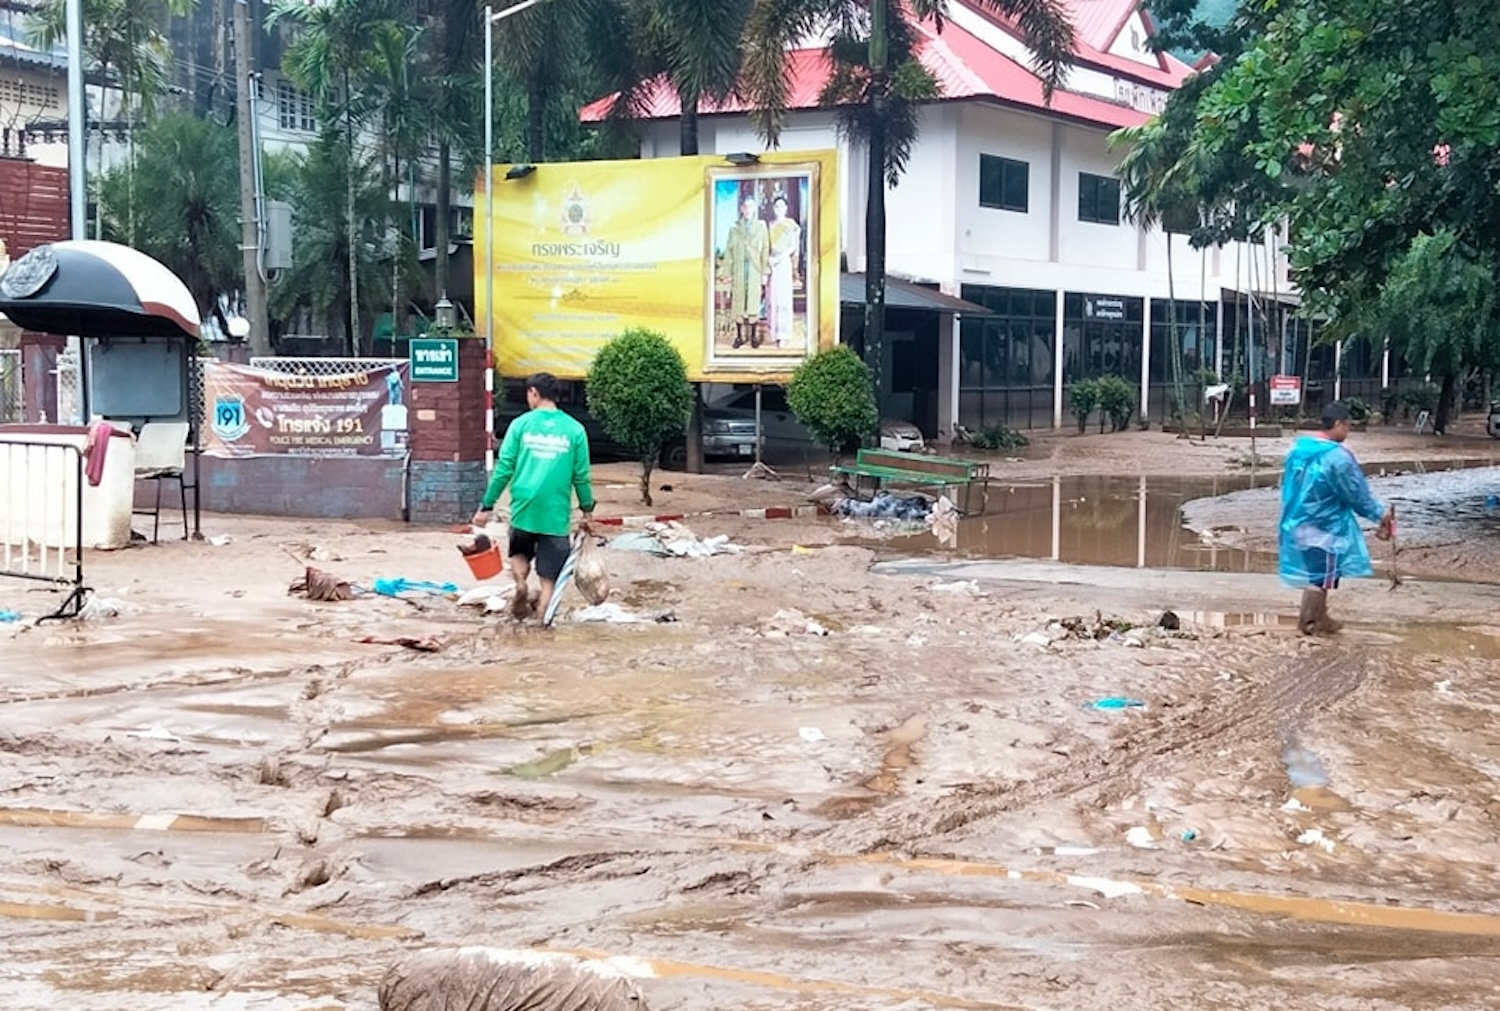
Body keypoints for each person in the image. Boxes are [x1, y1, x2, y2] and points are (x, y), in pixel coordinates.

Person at [472, 373, 595, 623]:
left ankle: (520, 584)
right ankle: (541, 626)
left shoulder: (520, 425)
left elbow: (504, 468)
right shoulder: (575, 430)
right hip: (555, 512)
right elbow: (581, 476)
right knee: (549, 579)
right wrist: (587, 509)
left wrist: (487, 505)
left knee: (519, 555)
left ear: (534, 393)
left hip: (523, 507)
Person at [1279, 401, 1394, 635]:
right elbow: (1355, 494)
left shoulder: (1300, 450)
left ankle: (1320, 618)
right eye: (1348, 426)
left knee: (1315, 572)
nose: (1348, 432)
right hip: (1325, 527)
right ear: (1339, 424)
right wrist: (1379, 514)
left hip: (1298, 522)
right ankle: (1311, 623)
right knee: (1322, 577)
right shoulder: (1337, 457)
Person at [724, 194, 768, 327]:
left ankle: (754, 335)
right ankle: (739, 336)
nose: (748, 209)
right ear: (741, 209)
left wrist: (764, 271)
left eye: (750, 206)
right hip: (739, 269)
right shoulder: (734, 228)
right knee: (738, 303)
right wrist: (728, 273)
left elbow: (765, 249)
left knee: (754, 302)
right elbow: (729, 251)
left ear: (754, 208)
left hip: (755, 269)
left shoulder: (761, 226)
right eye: (745, 206)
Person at [765, 194, 802, 347]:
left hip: (784, 263)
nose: (779, 209)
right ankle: (773, 333)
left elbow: (793, 246)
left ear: (786, 208)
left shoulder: (791, 225)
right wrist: (769, 260)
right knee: (772, 296)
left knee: (783, 297)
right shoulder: (770, 225)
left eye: (782, 206)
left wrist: (781, 257)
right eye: (776, 206)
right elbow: (766, 245)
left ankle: (784, 335)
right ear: (774, 209)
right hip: (772, 263)